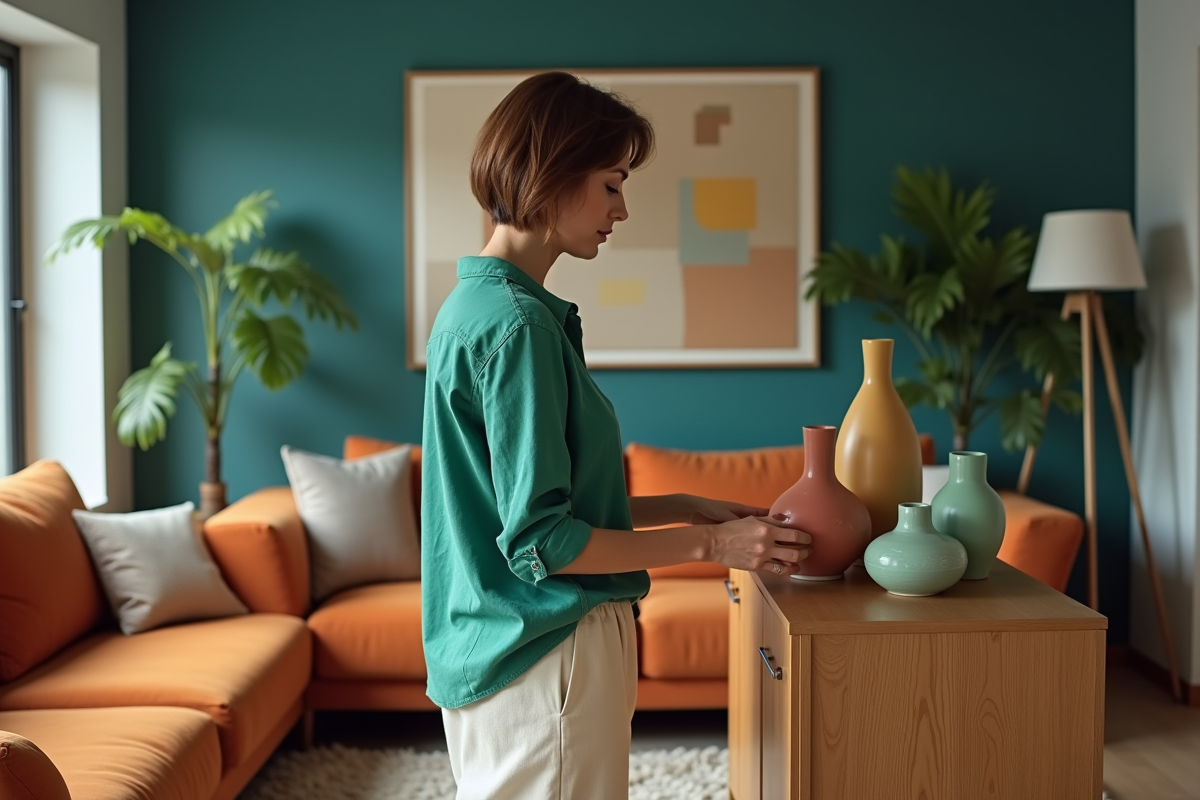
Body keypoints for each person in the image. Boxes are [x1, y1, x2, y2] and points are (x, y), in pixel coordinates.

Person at [420, 70, 812, 800]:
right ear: (551, 173)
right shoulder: (518, 327)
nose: (622, 209)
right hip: (546, 653)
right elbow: (543, 542)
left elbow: (532, 513)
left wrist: (686, 506)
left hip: (498, 649)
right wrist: (713, 548)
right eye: (611, 183)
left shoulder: (475, 305)